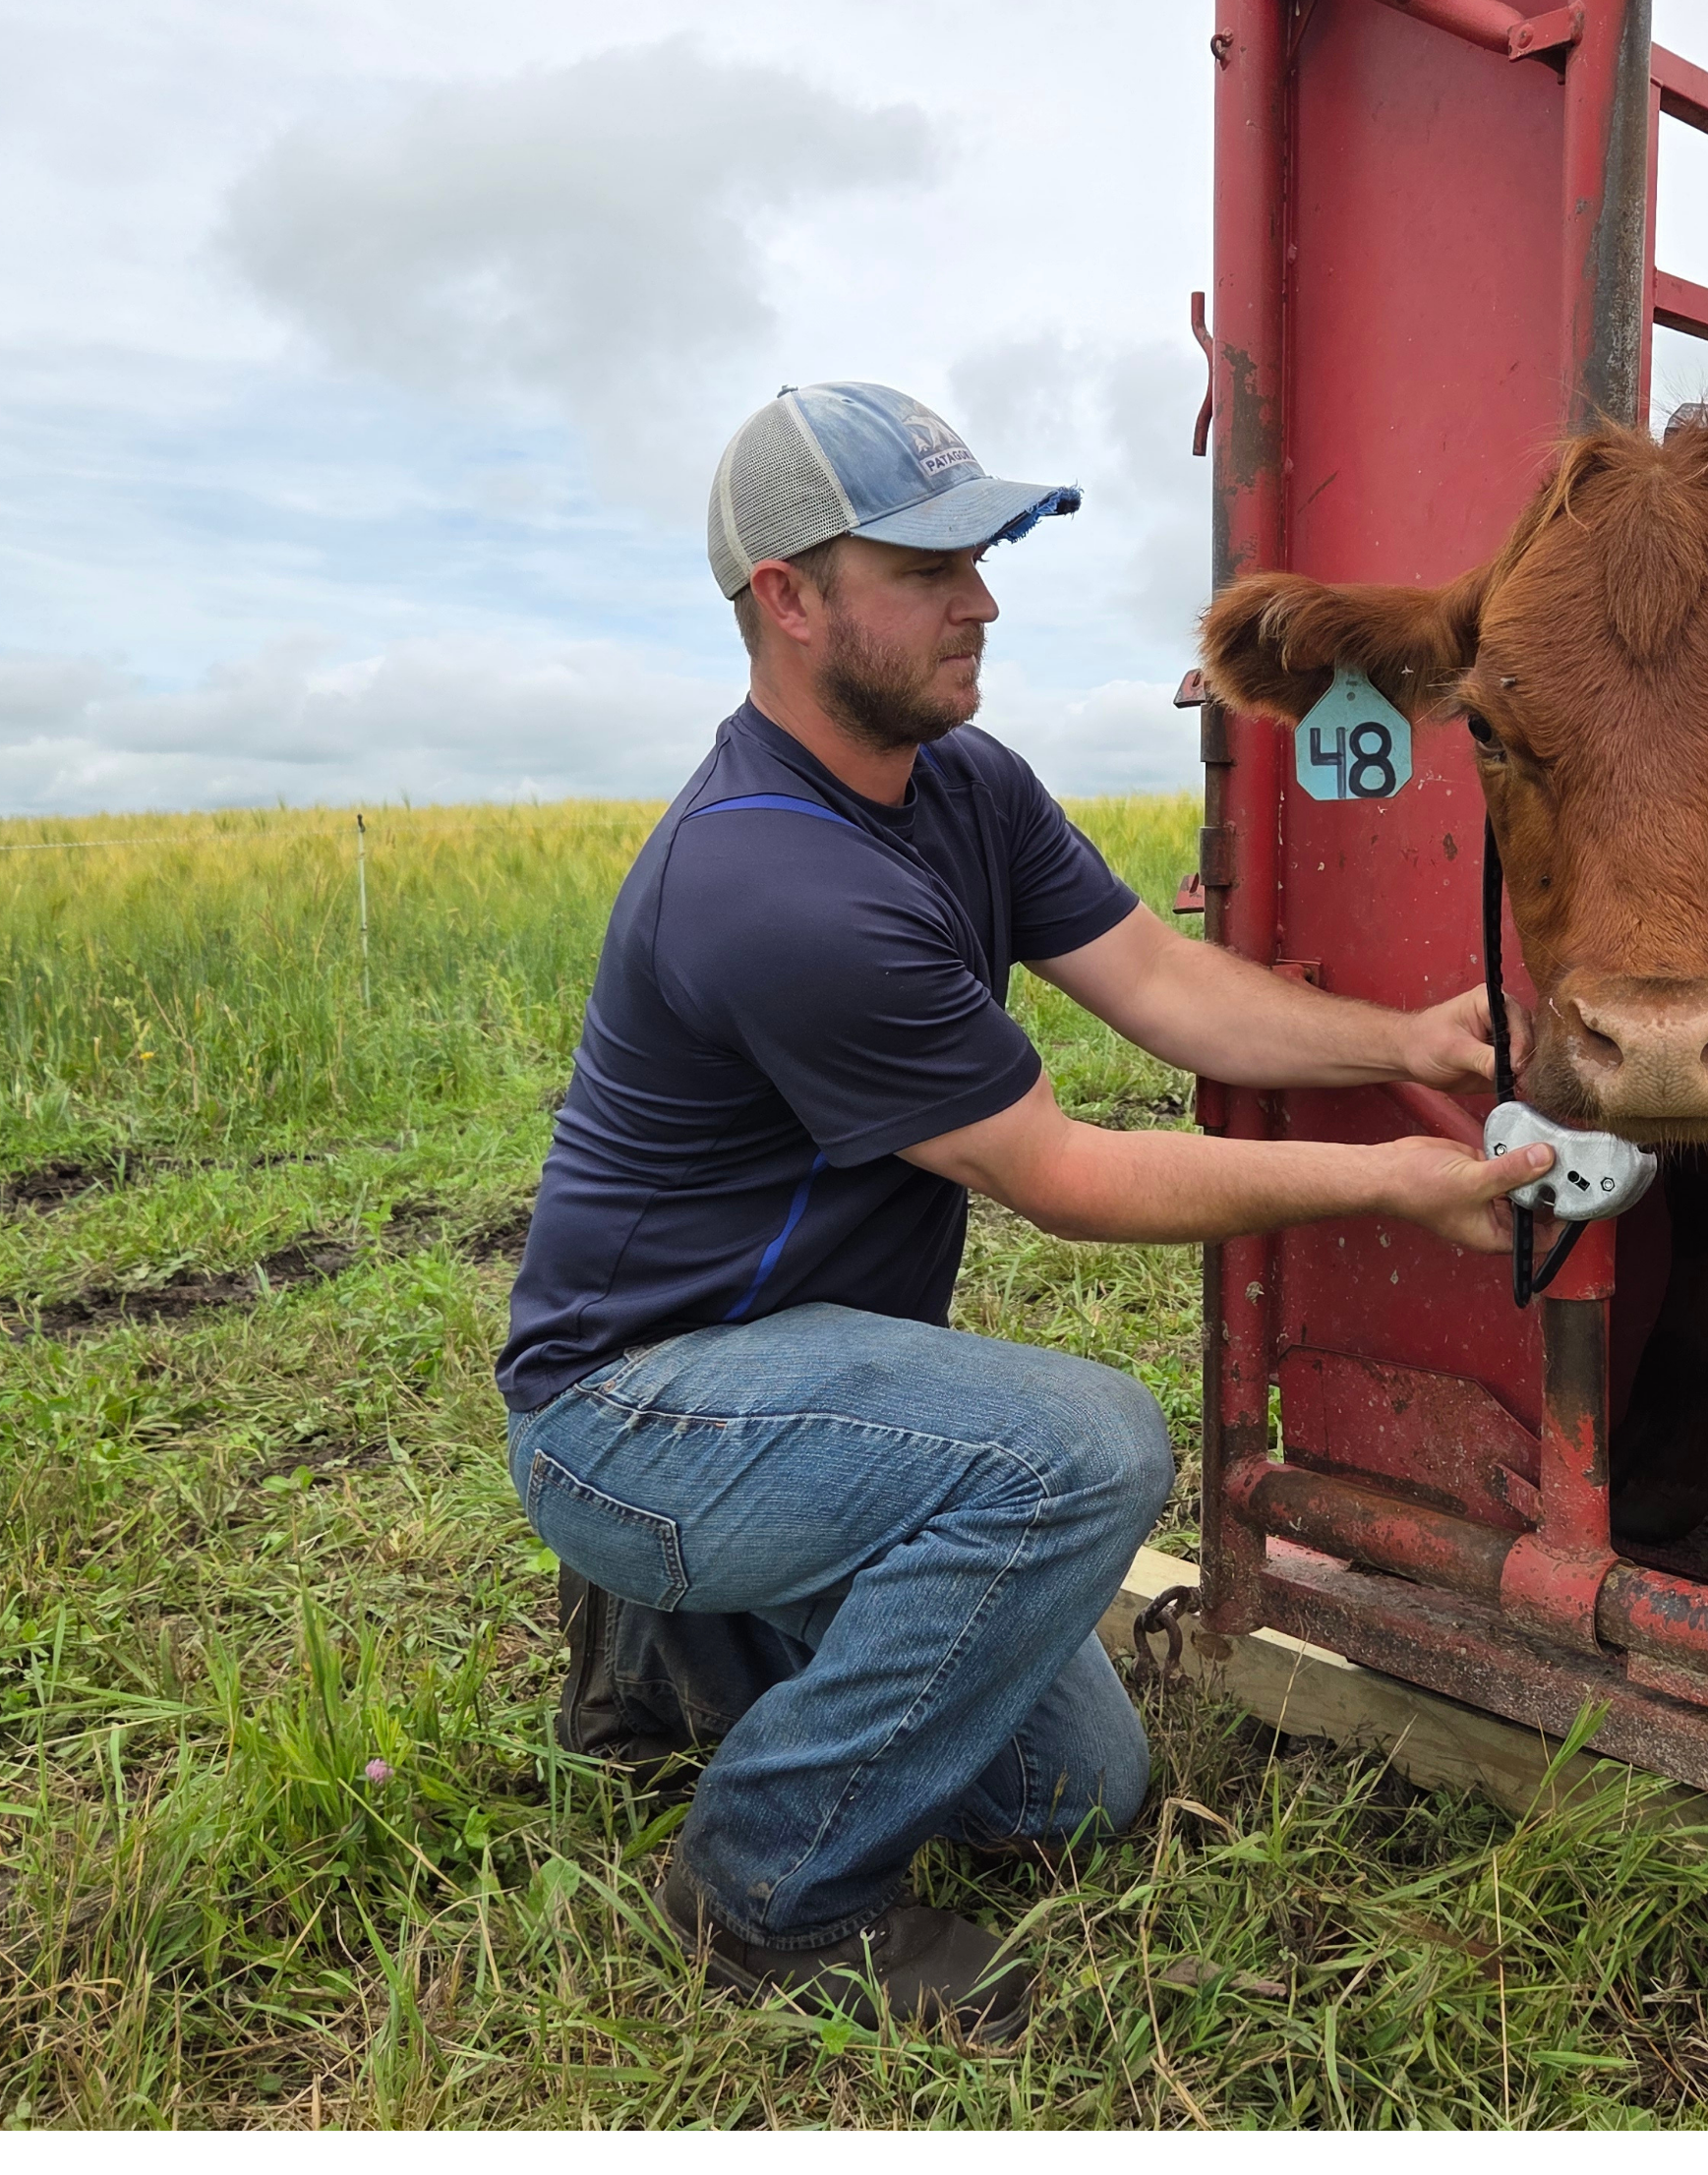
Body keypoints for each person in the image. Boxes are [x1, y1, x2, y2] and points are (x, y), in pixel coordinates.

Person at [497, 379, 1557, 2041]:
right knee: (1082, 1448)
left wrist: (1404, 1040)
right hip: (636, 1410)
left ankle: (675, 1648)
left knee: (1079, 1791)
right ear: (787, 598)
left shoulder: (962, 784)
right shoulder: (779, 881)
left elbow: (1165, 988)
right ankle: (770, 1883)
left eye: (984, 551)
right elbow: (1061, 1175)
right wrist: (1395, 1183)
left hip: (799, 1369)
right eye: (926, 566)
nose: (982, 596)